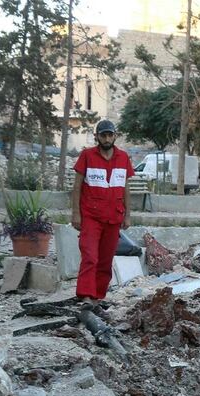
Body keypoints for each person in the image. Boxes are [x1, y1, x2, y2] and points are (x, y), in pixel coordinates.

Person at [71, 119, 134, 306]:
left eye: (110, 135)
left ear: (115, 136)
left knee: (106, 260)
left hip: (113, 217)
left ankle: (98, 296)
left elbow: (125, 188)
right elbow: (77, 186)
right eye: (103, 135)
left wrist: (128, 215)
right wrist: (75, 213)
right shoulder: (87, 156)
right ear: (96, 137)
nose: (107, 138)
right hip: (91, 216)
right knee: (90, 256)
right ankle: (86, 295)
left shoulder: (123, 158)